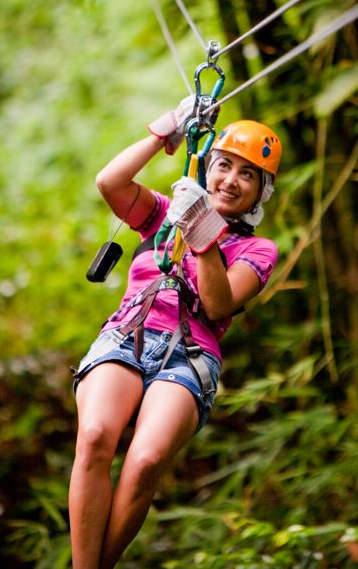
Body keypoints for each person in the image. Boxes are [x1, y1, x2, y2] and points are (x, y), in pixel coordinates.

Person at [68, 97, 282, 569]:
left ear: (261, 191)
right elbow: (110, 182)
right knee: (97, 434)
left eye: (247, 175)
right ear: (207, 165)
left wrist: (202, 229)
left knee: (145, 462)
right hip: (130, 333)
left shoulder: (258, 249)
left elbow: (219, 303)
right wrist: (167, 130)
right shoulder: (162, 212)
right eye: (224, 165)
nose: (230, 180)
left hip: (190, 355)